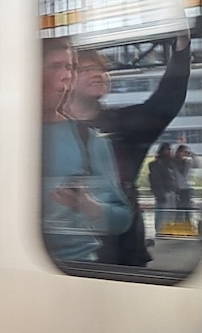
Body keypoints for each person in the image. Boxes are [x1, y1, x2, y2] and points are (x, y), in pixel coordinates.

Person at [63, 34, 190, 265]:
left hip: (123, 250)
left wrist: (181, 49)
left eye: (102, 69)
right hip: (65, 249)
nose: (99, 74)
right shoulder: (47, 128)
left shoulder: (125, 125)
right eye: (86, 69)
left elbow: (166, 101)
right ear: (66, 79)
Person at [40, 37, 132, 263]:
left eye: (70, 67)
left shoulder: (89, 141)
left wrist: (90, 207)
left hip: (73, 269)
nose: (66, 76)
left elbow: (122, 218)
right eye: (55, 66)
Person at [147, 142, 177, 237]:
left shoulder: (171, 163)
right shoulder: (156, 164)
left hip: (171, 191)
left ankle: (167, 231)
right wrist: (160, 193)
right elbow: (156, 180)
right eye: (168, 150)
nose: (169, 152)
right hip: (163, 192)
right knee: (162, 213)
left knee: (170, 214)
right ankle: (160, 232)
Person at [173, 143, 199, 224]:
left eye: (185, 152)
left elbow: (198, 165)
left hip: (186, 188)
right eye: (182, 152)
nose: (183, 154)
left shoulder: (188, 162)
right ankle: (177, 224)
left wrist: (192, 155)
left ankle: (188, 224)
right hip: (175, 189)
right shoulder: (172, 162)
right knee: (177, 209)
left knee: (187, 208)